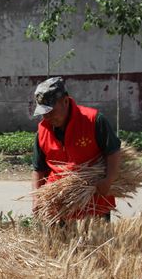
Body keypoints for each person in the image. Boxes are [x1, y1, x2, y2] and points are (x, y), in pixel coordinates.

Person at [31, 76, 120, 221]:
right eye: (43, 112)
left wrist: (108, 180)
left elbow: (113, 151)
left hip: (94, 201)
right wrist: (36, 198)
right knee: (59, 237)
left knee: (95, 236)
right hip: (58, 205)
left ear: (65, 101)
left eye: (50, 111)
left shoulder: (93, 120)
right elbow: (38, 168)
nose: (47, 116)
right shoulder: (42, 130)